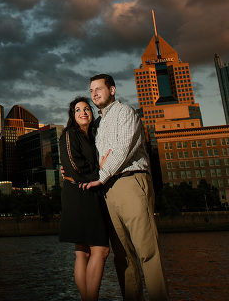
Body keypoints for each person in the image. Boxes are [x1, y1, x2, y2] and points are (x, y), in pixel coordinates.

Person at [81, 74, 168, 301]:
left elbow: (121, 150)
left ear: (112, 90)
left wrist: (101, 174)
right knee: (122, 256)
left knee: (147, 251)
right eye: (91, 90)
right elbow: (97, 158)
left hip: (130, 181)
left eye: (99, 89)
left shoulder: (126, 113)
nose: (94, 94)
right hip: (108, 189)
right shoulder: (98, 124)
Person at [59, 96, 111, 301]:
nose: (83, 112)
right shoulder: (69, 134)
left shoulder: (91, 135)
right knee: (101, 249)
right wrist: (100, 172)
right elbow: (73, 166)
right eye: (78, 109)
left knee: (82, 252)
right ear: (72, 116)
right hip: (80, 193)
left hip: (87, 191)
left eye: (86, 109)